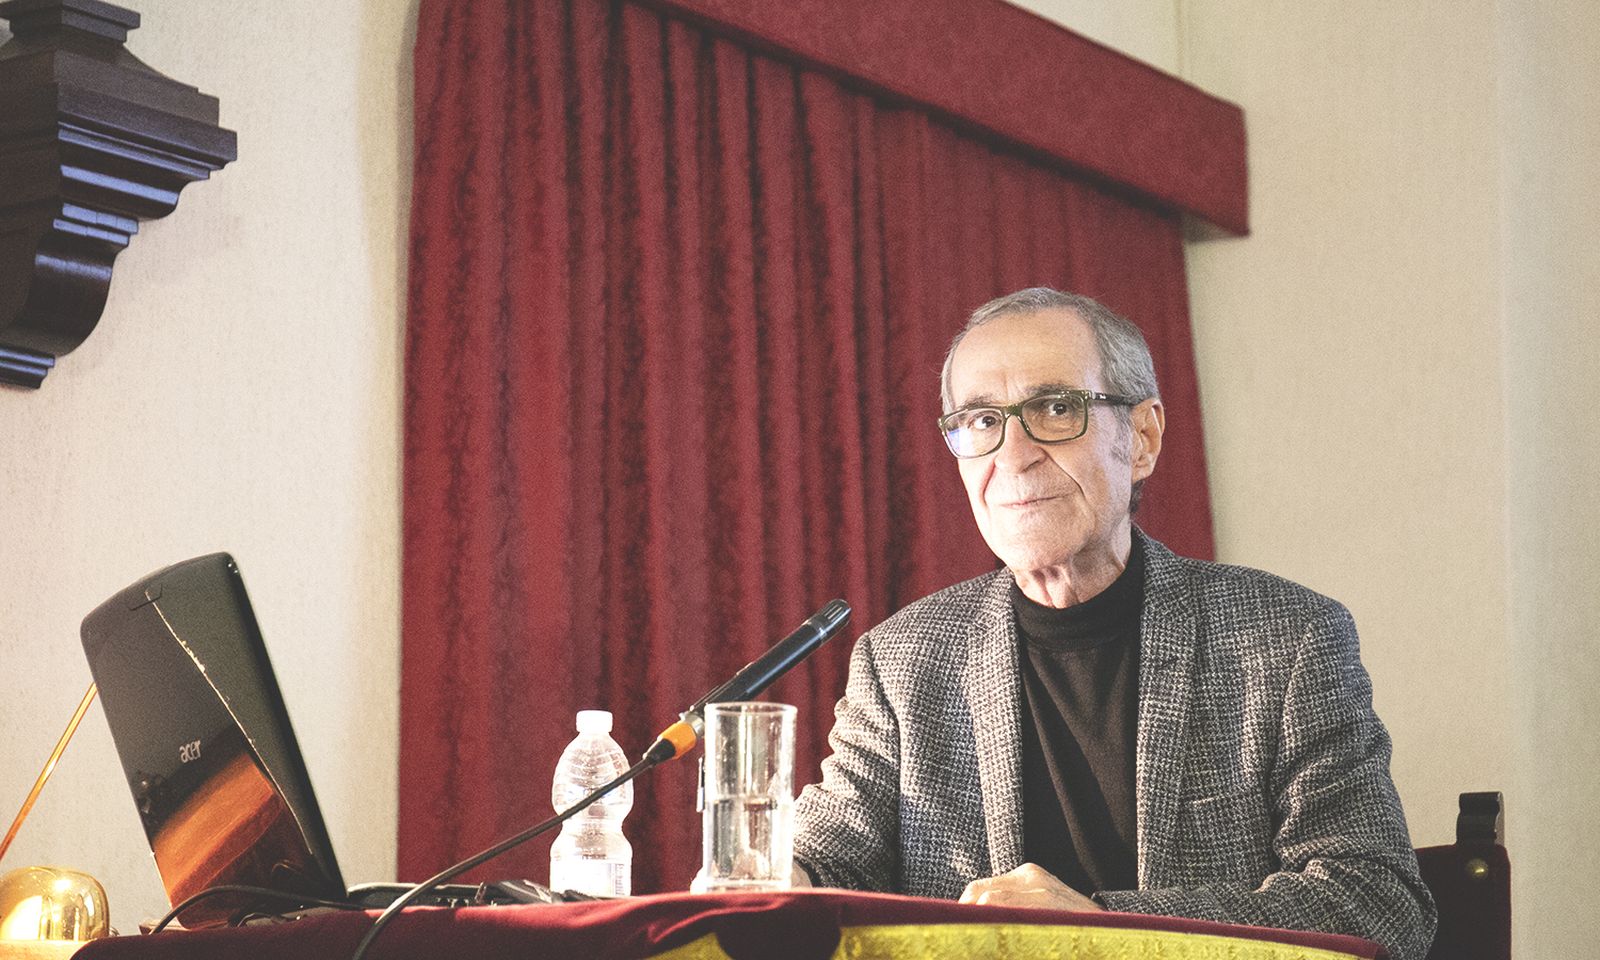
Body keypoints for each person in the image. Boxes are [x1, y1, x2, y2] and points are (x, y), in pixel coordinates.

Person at [789, 287, 1436, 960]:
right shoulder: (900, 661)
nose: (1013, 455)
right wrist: (776, 880)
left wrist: (1099, 927)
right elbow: (832, 859)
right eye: (982, 421)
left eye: (1056, 407)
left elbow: (1377, 903)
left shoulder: (1287, 640)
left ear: (1145, 437)